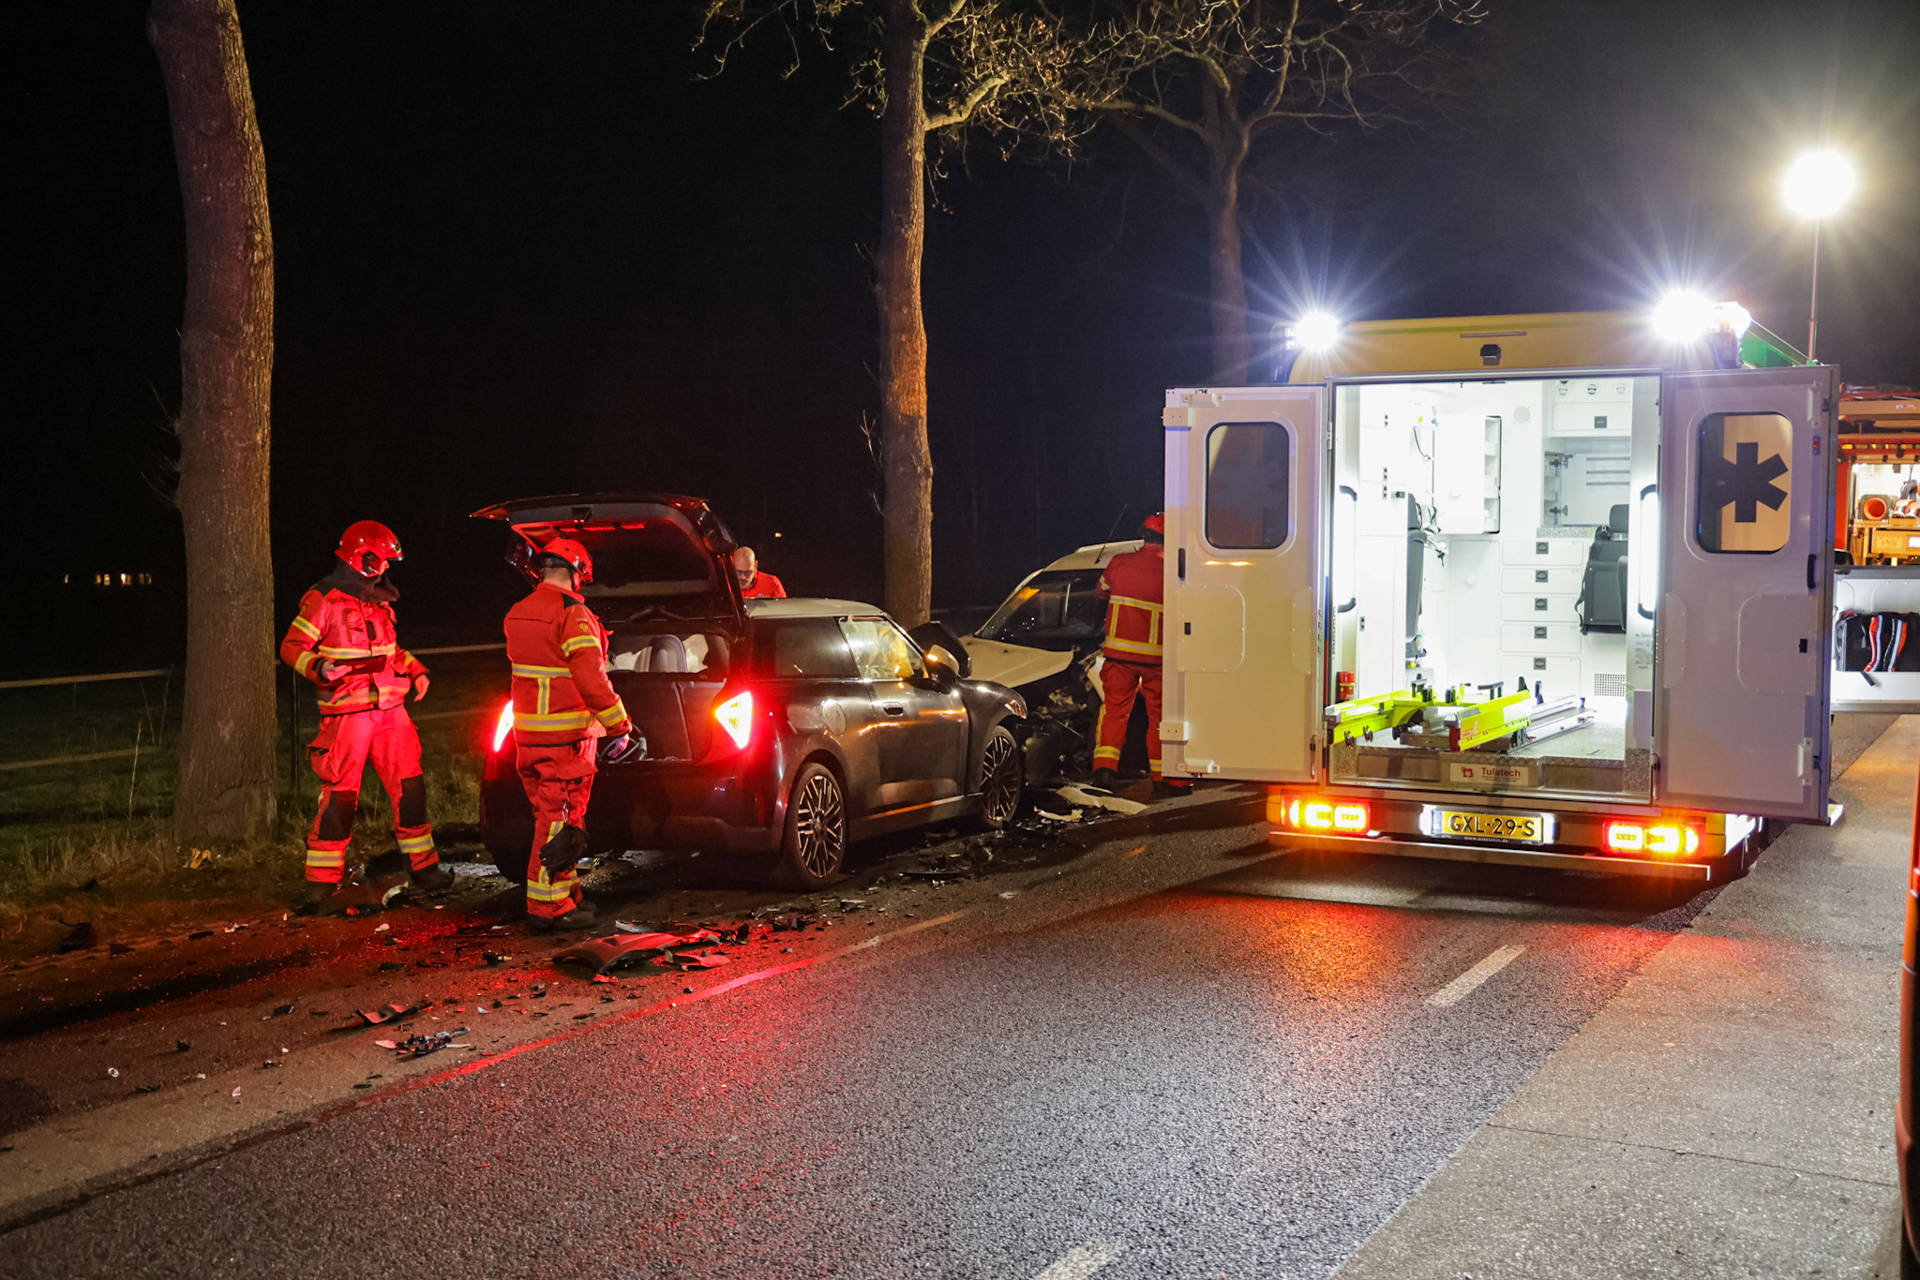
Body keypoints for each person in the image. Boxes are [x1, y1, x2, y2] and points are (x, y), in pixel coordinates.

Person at [279, 520, 451, 908]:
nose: (386, 568)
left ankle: (424, 868)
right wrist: (318, 666)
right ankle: (322, 882)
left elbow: (391, 652)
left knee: (411, 790)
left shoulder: (379, 600)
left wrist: (416, 670)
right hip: (348, 714)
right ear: (363, 558)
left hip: (392, 712)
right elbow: (291, 646)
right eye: (382, 561)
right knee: (340, 798)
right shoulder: (324, 599)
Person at [503, 536, 638, 932]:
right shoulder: (573, 614)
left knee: (553, 818)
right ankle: (550, 908)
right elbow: (592, 679)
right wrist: (620, 723)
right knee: (559, 824)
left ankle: (566, 892)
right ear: (578, 572)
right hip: (566, 740)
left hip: (529, 737)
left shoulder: (518, 611)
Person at [1091, 513, 1185, 796]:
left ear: (1144, 535)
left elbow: (1101, 591)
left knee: (1114, 712)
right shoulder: (1173, 571)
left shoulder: (1119, 563)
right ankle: (1161, 777)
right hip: (1157, 660)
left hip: (1119, 656)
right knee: (1159, 719)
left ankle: (1104, 770)